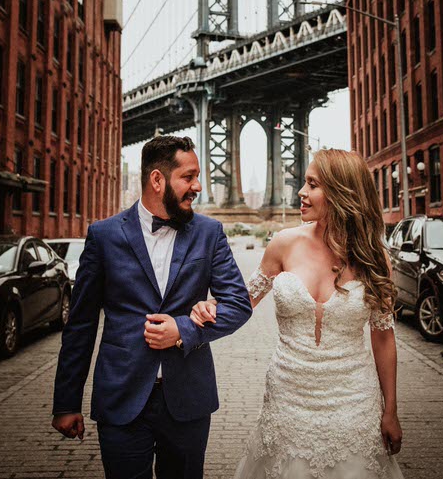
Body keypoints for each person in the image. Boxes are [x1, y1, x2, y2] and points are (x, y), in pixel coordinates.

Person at [191, 149, 404, 479]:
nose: (300, 192)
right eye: (304, 182)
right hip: (288, 396)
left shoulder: (375, 258)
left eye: (312, 184)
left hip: (354, 399)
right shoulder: (283, 243)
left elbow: (383, 337)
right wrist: (210, 307)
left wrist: (390, 409)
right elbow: (243, 301)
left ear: (341, 192)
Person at [52, 135, 253, 479]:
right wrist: (67, 403)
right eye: (188, 177)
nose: (198, 186)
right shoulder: (104, 236)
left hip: (187, 401)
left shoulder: (210, 233)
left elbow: (238, 303)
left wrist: (184, 330)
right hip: (122, 398)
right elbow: (81, 324)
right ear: (157, 180)